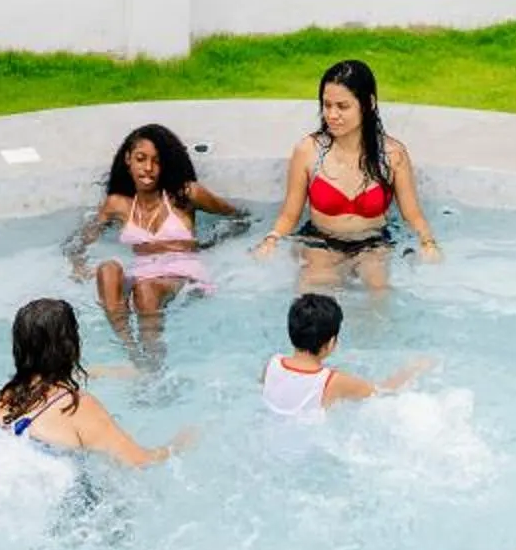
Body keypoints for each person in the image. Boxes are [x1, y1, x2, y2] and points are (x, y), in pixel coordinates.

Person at [251, 59, 442, 289]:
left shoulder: (393, 155)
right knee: (316, 292)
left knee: (378, 291)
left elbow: (412, 214)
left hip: (373, 244)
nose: (332, 115)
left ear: (368, 103)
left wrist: (428, 242)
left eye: (342, 106)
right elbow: (289, 216)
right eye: (326, 105)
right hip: (320, 243)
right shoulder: (308, 150)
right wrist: (271, 239)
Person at [69, 123, 242, 357]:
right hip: (142, 270)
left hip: (181, 273)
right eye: (141, 159)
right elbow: (79, 241)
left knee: (146, 289)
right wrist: (78, 265)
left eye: (157, 161)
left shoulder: (186, 193)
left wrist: (207, 244)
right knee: (107, 270)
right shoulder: (117, 204)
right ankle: (131, 349)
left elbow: (239, 218)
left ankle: (153, 357)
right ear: (128, 159)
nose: (148, 168)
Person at [0, 297, 191, 468]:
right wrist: (180, 444)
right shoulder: (78, 407)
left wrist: (107, 372)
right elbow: (139, 461)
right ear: (71, 346)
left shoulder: (7, 395)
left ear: (19, 347)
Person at [260, 292, 429, 421]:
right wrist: (413, 369)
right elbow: (383, 392)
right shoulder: (333, 381)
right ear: (331, 342)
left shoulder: (271, 365)